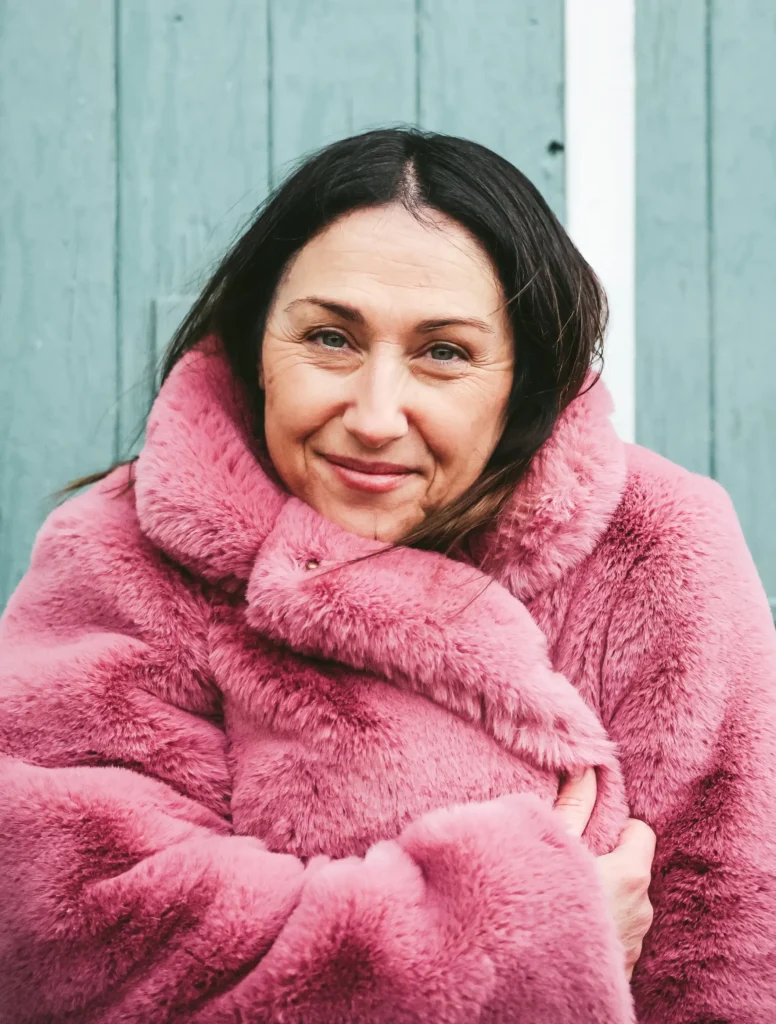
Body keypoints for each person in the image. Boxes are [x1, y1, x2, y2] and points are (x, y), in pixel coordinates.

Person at [1, 128, 774, 1024]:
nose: (373, 416)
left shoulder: (654, 544)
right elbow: (61, 932)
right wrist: (521, 936)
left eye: (444, 352)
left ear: (524, 377)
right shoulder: (127, 547)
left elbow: (733, 940)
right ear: (258, 341)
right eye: (330, 337)